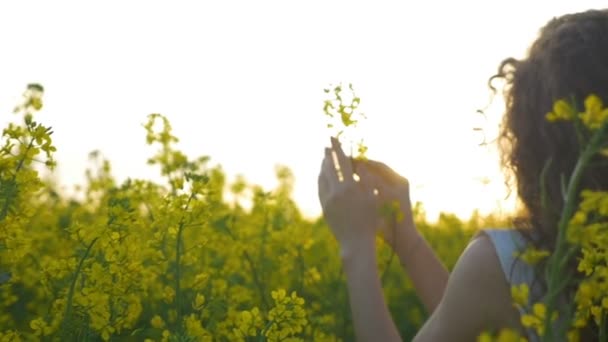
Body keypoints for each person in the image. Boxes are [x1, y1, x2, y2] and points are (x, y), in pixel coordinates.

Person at [317, 9, 608, 341]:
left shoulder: (517, 264)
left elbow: (485, 295)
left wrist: (356, 246)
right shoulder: (514, 274)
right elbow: (472, 313)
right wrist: (406, 238)